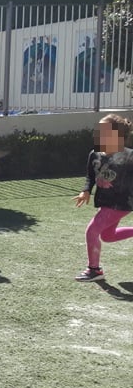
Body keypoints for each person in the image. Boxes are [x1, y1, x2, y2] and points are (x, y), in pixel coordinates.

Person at [73, 114, 133, 281]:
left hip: (122, 203)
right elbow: (90, 176)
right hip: (105, 202)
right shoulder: (95, 154)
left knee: (92, 231)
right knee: (108, 236)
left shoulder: (129, 156)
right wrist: (85, 191)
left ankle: (94, 270)